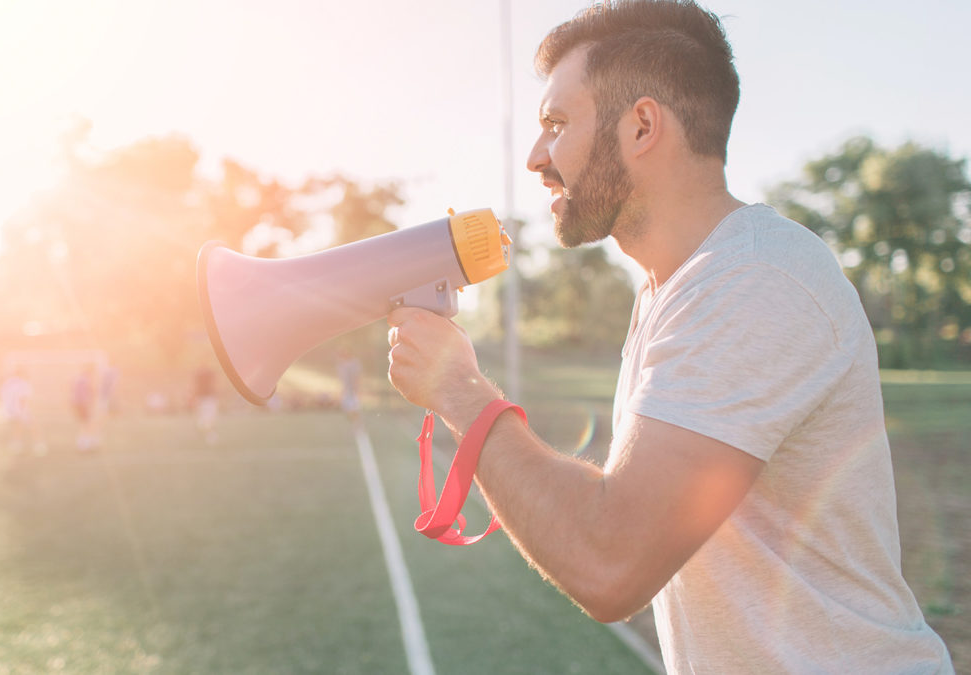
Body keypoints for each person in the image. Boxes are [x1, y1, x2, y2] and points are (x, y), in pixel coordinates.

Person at [385, 1, 954, 672]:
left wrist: (458, 389)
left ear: (643, 125)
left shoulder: (752, 280)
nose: (538, 156)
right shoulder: (676, 286)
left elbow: (610, 560)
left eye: (558, 124)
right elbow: (638, 503)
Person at [72, 364, 100, 452]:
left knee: (85, 423)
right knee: (87, 424)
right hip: (83, 404)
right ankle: (84, 444)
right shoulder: (87, 379)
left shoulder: (78, 378)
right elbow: (92, 390)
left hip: (76, 404)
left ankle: (85, 442)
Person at [192, 365, 219, 445]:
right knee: (205, 419)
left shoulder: (202, 373)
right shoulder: (204, 373)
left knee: (207, 419)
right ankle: (208, 434)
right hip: (204, 398)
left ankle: (208, 434)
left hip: (207, 397)